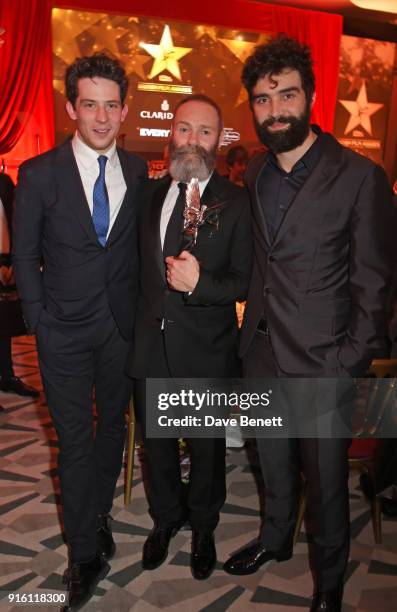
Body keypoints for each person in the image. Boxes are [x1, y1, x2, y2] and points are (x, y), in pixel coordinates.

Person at [222, 35, 394, 612]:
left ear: (312, 97)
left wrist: (348, 360)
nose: (275, 111)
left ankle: (327, 582)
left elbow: (375, 286)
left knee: (324, 484)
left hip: (326, 361)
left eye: (287, 96)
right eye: (263, 100)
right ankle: (274, 540)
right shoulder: (257, 175)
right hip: (262, 355)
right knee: (271, 462)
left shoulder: (359, 177)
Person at [13, 54, 147, 611]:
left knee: (111, 429)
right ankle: (84, 552)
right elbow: (23, 254)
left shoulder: (138, 170)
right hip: (61, 331)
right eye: (88, 103)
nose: (100, 116)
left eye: (111, 104)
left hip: (119, 327)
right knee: (73, 441)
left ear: (123, 109)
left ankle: (96, 515)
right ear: (71, 107)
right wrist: (39, 320)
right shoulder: (39, 173)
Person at [127, 94, 252, 580]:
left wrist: (200, 285)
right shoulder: (150, 195)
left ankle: (203, 526)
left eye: (204, 132)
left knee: (206, 450)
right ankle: (165, 520)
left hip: (206, 353)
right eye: (184, 129)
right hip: (151, 348)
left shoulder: (237, 202)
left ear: (218, 140)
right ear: (170, 133)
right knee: (157, 449)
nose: (193, 140)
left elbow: (244, 280)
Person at [0, 172, 39, 398]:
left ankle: (7, 376)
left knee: (4, 324)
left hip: (6, 262)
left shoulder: (4, 182)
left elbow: (16, 220)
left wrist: (15, 259)